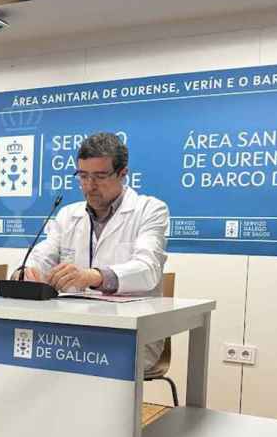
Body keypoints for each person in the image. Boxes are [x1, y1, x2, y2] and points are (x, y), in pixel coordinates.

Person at [18, 132, 168, 366]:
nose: (89, 186)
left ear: (122, 174)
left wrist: (93, 276)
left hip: (129, 334)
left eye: (99, 176)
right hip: (73, 327)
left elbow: (148, 270)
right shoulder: (68, 214)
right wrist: (27, 272)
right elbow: (43, 254)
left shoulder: (150, 210)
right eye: (83, 176)